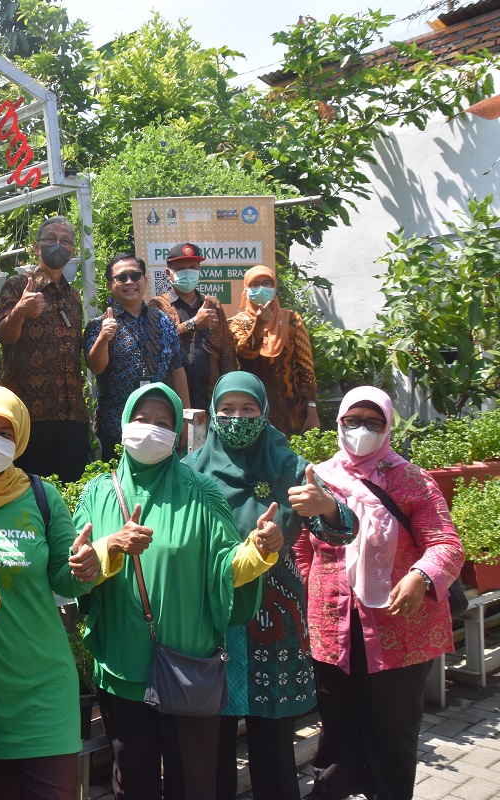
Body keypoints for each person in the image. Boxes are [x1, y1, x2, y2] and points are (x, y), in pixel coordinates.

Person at [73, 383, 281, 800]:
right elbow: (76, 568)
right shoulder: (97, 493)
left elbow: (227, 566)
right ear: (123, 422)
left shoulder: (202, 493)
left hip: (188, 668)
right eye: (141, 419)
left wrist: (259, 550)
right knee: (133, 782)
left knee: (194, 784)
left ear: (177, 433)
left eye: (163, 423)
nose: (150, 430)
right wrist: (107, 548)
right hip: (123, 669)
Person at [186, 372, 357, 800]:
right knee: (212, 742)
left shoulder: (291, 467)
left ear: (264, 413)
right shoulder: (189, 472)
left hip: (273, 624)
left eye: (248, 410)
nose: (236, 418)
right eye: (226, 410)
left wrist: (329, 508)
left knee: (273, 744)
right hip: (213, 621)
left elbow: (343, 531)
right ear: (212, 414)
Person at [297, 387, 463, 800]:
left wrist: (421, 576)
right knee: (337, 734)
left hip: (398, 631)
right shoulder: (319, 478)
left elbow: (446, 543)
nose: (361, 431)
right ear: (339, 423)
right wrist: (311, 596)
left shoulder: (409, 478)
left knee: (392, 739)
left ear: (388, 426)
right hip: (334, 630)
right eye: (353, 421)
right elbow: (302, 549)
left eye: (373, 423)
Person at [0, 385, 102, 800]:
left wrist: (87, 566)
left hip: (45, 696)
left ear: (20, 440)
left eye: (5, 432)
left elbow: (66, 580)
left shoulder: (41, 496)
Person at [0, 216, 90, 483]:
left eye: (65, 241)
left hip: (72, 414)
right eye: (50, 239)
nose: (58, 245)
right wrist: (20, 311)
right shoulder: (18, 285)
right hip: (29, 415)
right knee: (30, 493)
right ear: (36, 247)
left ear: (71, 252)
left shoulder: (73, 297)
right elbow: (4, 336)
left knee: (71, 492)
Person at [86, 253, 190, 461]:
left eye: (135, 275)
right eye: (121, 278)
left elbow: (177, 370)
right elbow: (95, 367)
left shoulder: (163, 322)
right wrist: (104, 339)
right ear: (110, 285)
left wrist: (185, 419)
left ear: (145, 280)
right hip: (116, 426)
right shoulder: (98, 325)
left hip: (159, 424)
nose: (129, 282)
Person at [228, 266, 319, 437]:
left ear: (274, 287)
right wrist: (260, 325)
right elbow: (246, 355)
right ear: (246, 290)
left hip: (292, 409)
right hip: (253, 407)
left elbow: (306, 367)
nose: (261, 288)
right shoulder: (237, 323)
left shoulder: (292, 320)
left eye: (267, 283)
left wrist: (312, 409)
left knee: (292, 457)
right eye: (255, 284)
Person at [147, 243, 237, 413]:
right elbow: (158, 343)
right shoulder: (158, 305)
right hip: (175, 395)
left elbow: (226, 351)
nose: (188, 272)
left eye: (193, 268)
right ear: (169, 274)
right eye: (181, 269)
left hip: (211, 395)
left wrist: (230, 390)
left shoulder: (212, 304)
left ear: (199, 271)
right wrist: (192, 325)